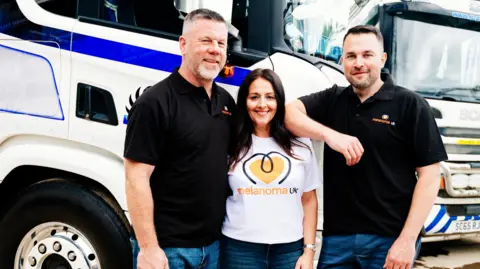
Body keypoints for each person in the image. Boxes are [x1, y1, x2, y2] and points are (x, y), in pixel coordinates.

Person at [285, 25, 448, 269]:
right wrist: (331, 136)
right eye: (351, 56)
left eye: (367, 55)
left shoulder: (410, 105)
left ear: (382, 59)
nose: (358, 62)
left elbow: (430, 177)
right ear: (342, 61)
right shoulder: (333, 99)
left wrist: (407, 240)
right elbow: (288, 113)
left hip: (389, 240)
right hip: (336, 240)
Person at [123, 8, 235, 269]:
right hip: (169, 250)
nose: (215, 50)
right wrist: (149, 248)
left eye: (221, 43)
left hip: (213, 248)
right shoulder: (155, 103)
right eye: (205, 41)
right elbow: (135, 179)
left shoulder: (226, 102)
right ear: (183, 45)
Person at [221, 68, 321, 269]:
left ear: (279, 101)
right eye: (254, 97)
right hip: (239, 249)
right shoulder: (230, 141)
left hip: (289, 249)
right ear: (244, 101)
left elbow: (309, 200)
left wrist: (308, 251)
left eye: (270, 97)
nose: (262, 105)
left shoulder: (300, 143)